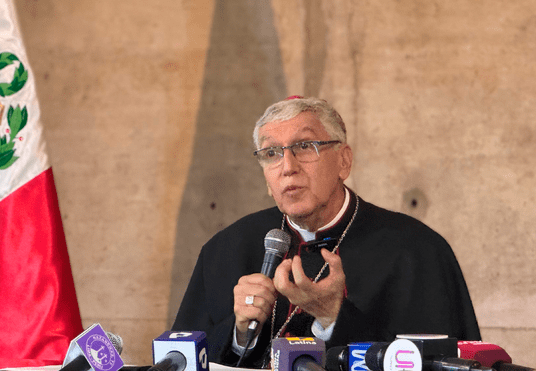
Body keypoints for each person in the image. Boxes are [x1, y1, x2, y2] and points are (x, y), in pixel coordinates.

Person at [171, 96, 481, 368]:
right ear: (267, 179)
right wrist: (240, 333)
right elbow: (177, 358)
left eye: (305, 146)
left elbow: (435, 363)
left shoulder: (416, 250)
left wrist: (333, 316)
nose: (287, 167)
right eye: (272, 154)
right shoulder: (225, 249)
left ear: (343, 161)